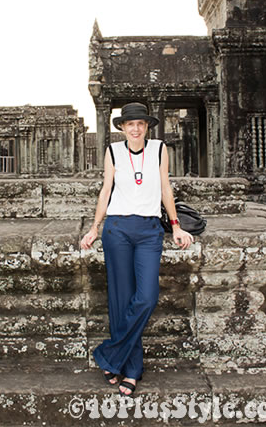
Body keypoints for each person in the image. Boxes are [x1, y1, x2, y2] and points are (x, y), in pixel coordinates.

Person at [80, 102, 193, 397]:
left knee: (146, 297)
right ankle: (131, 370)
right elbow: (106, 189)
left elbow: (166, 187)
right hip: (117, 229)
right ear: (122, 128)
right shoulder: (113, 151)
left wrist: (177, 225)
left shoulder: (158, 149)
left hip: (148, 230)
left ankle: (109, 354)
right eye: (130, 124)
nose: (135, 128)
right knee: (120, 299)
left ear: (146, 127)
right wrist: (94, 227)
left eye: (140, 123)